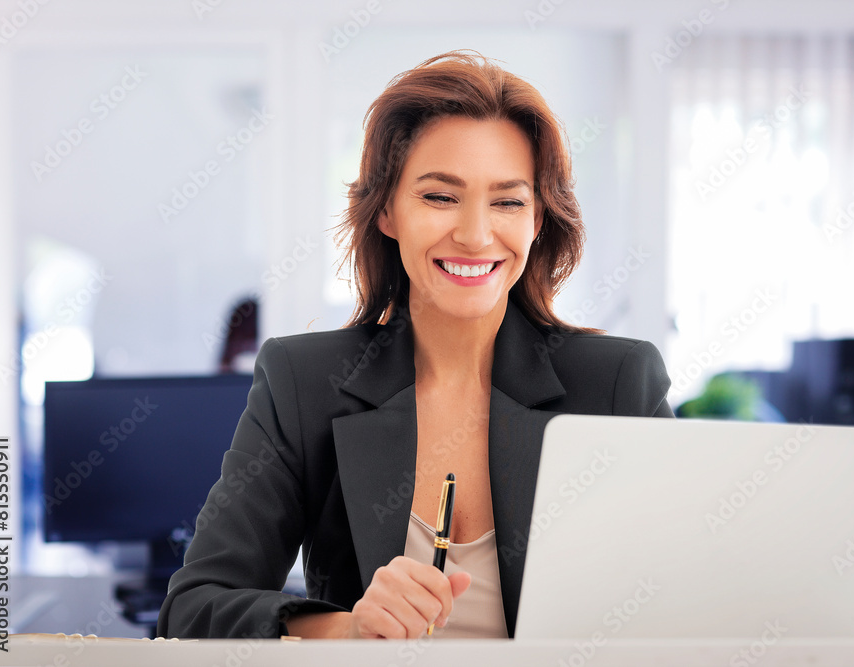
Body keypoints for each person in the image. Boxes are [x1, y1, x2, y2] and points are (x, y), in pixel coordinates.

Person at [157, 50, 673, 641]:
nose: (476, 235)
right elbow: (192, 611)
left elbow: (689, 606)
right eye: (439, 196)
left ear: (537, 221)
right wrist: (348, 628)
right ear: (386, 212)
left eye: (508, 201)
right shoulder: (303, 382)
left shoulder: (617, 384)